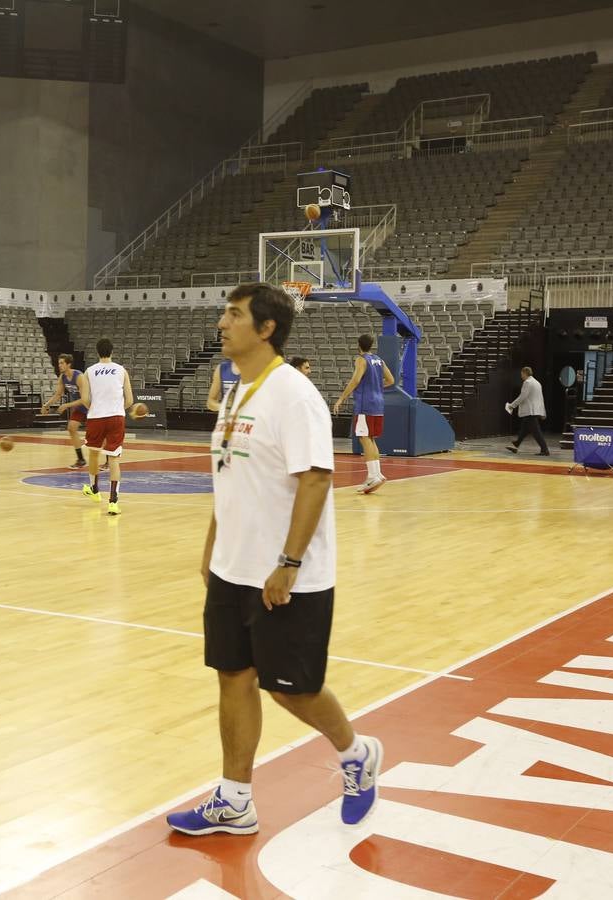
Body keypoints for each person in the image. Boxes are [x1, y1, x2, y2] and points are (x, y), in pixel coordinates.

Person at [166, 282, 380, 838]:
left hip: (287, 572)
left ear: (266, 329)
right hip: (231, 569)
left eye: (234, 315)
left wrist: (288, 561)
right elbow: (230, 474)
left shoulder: (295, 394)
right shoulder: (237, 392)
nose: (221, 323)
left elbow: (315, 479)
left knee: (291, 687)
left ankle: (356, 753)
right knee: (232, 675)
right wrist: (213, 545)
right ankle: (235, 799)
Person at [332, 334, 396, 494]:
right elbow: (391, 380)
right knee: (370, 438)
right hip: (378, 403)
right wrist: (375, 385)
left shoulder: (361, 359)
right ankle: (377, 474)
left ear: (358, 345)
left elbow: (355, 380)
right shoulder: (379, 360)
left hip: (365, 404)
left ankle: (373, 475)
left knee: (364, 437)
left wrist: (341, 398)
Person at [77, 338, 133, 516]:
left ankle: (94, 489)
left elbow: (85, 399)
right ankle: (113, 502)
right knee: (114, 459)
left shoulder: (89, 371)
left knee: (93, 454)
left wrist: (96, 409)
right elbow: (130, 400)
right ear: (112, 352)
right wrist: (116, 409)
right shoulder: (121, 370)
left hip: (96, 417)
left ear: (97, 352)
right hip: (116, 417)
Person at [40, 353, 89, 470]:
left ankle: (109, 459)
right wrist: (46, 405)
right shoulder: (62, 377)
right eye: (59, 363)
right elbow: (58, 394)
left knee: (98, 434)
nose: (59, 366)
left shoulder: (79, 377)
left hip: (90, 406)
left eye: (62, 363)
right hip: (79, 407)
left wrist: (66, 405)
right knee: (71, 428)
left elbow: (84, 399)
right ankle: (81, 459)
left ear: (69, 364)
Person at [505, 366, 549, 456]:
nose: (521, 376)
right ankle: (516, 444)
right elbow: (541, 398)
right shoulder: (537, 383)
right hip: (535, 410)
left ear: (525, 373)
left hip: (530, 411)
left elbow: (522, 396)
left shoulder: (527, 383)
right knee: (524, 429)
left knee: (536, 432)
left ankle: (545, 450)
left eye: (521, 374)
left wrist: (512, 406)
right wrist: (543, 411)